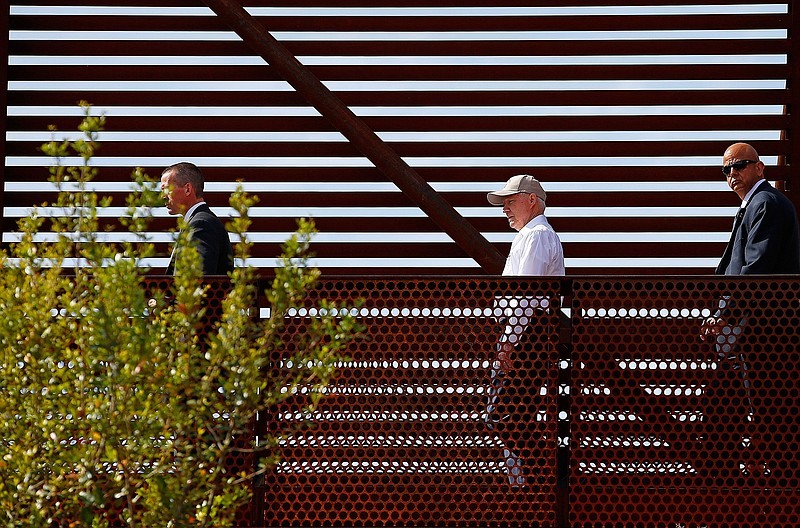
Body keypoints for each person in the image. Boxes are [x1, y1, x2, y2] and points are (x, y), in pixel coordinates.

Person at [697, 143, 800, 480]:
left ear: (760, 168)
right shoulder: (754, 205)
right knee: (722, 416)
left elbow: (756, 268)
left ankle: (785, 492)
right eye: (726, 170)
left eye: (739, 166)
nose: (732, 175)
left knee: (771, 418)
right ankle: (722, 494)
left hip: (760, 335)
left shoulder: (765, 204)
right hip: (745, 337)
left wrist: (724, 314)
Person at [484, 174, 565, 487]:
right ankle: (532, 480)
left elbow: (526, 295)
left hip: (527, 334)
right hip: (527, 332)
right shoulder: (531, 235)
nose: (505, 208)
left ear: (532, 199)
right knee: (515, 415)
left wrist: (508, 342)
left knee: (504, 416)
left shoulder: (536, 235)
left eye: (510, 200)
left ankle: (544, 477)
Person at [160, 162, 234, 276]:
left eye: (166, 189)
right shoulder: (199, 222)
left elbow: (199, 279)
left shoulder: (201, 224)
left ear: (188, 189)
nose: (163, 196)